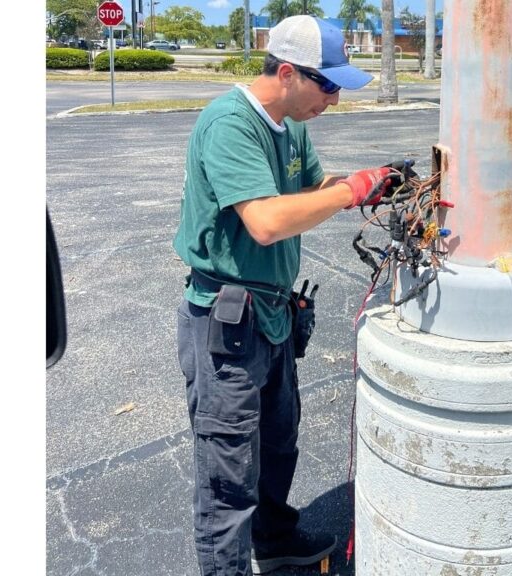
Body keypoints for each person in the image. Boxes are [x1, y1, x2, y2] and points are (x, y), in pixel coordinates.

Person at [173, 15, 404, 576]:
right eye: (326, 85)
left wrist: (373, 182)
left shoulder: (292, 124)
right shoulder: (230, 123)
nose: (334, 98)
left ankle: (274, 541)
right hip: (227, 318)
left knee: (278, 443)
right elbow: (267, 222)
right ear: (285, 73)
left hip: (274, 313)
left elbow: (312, 191)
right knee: (228, 470)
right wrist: (351, 193)